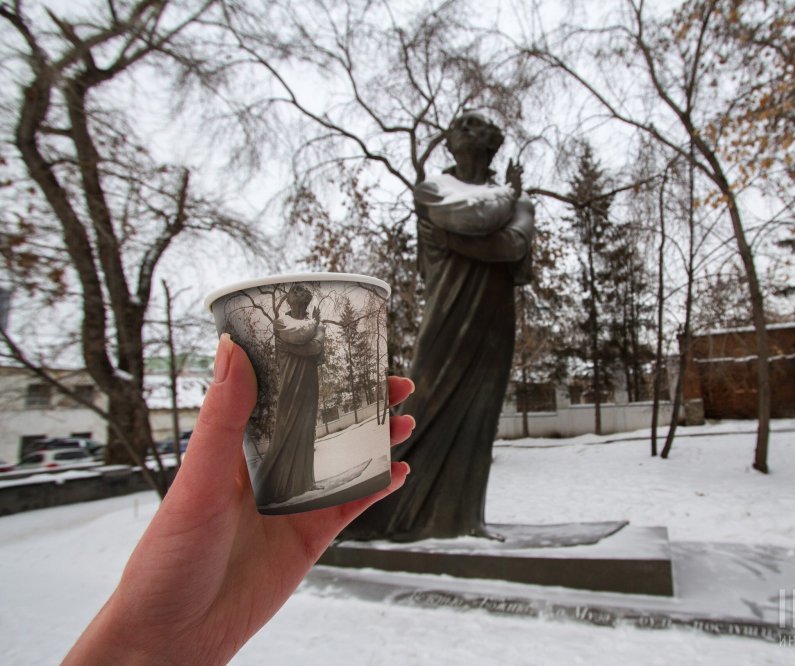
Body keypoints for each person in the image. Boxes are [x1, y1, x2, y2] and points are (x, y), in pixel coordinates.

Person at [63, 334, 416, 664]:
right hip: (294, 389)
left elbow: (315, 351)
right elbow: (302, 347)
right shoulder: (287, 330)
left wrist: (155, 642)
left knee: (305, 436)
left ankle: (302, 474)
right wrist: (152, 639)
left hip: (306, 389)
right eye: (296, 301)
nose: (299, 307)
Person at [340, 110, 535, 541]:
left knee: (479, 418)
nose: (464, 129)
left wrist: (464, 238)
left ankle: (463, 519)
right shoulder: (433, 190)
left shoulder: (520, 204)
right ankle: (363, 512)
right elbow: (476, 221)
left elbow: (514, 246)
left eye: (475, 124)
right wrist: (503, 203)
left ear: (492, 143)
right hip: (446, 314)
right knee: (421, 408)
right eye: (459, 125)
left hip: (494, 321)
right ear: (448, 143)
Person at [256, 284, 325, 505]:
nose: (301, 299)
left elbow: (317, 353)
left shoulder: (309, 324)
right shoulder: (282, 323)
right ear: (289, 300)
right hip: (291, 385)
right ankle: (271, 485)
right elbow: (306, 341)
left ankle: (306, 482)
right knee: (286, 433)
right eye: (296, 294)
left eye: (304, 297)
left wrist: (316, 337)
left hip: (309, 383)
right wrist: (317, 329)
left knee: (307, 431)